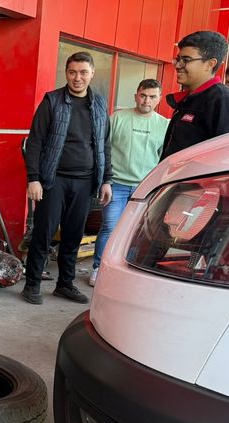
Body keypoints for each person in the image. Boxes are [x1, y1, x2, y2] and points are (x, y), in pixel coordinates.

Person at [21, 51, 112, 305]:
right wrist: (34, 178)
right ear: (66, 73)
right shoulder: (52, 101)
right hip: (53, 180)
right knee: (44, 233)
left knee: (73, 235)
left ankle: (65, 284)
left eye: (83, 72)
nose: (78, 78)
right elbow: (35, 142)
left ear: (92, 73)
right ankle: (32, 284)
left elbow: (105, 144)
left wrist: (107, 180)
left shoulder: (100, 105)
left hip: (85, 182)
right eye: (72, 72)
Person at [90, 79, 169, 286]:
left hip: (146, 188)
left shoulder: (164, 125)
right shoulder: (117, 118)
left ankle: (126, 270)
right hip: (116, 184)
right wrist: (104, 181)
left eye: (152, 96)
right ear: (136, 95)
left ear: (159, 99)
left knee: (138, 232)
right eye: (143, 95)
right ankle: (99, 268)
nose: (147, 100)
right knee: (110, 227)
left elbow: (164, 158)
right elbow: (103, 150)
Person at [161, 31, 229, 160]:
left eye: (186, 60)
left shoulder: (225, 102)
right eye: (178, 59)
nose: (178, 65)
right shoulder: (188, 99)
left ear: (210, 64)